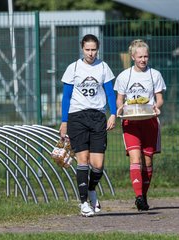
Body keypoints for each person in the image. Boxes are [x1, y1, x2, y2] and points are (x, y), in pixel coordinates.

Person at [59, 34, 116, 217]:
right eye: (87, 49)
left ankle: (91, 190)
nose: (91, 53)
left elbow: (110, 93)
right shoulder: (73, 68)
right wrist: (64, 121)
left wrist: (113, 113)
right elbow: (66, 97)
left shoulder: (103, 67)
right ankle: (83, 202)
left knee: (97, 164)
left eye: (93, 50)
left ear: (97, 49)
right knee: (82, 160)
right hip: (77, 116)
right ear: (82, 49)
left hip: (98, 116)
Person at [114, 39, 166, 211]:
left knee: (148, 161)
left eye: (146, 56)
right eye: (140, 57)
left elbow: (159, 99)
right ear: (132, 57)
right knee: (135, 158)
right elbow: (120, 99)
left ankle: (143, 195)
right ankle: (138, 197)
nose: (143, 60)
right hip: (131, 122)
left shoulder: (155, 74)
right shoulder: (124, 76)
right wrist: (120, 108)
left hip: (149, 121)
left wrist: (156, 107)